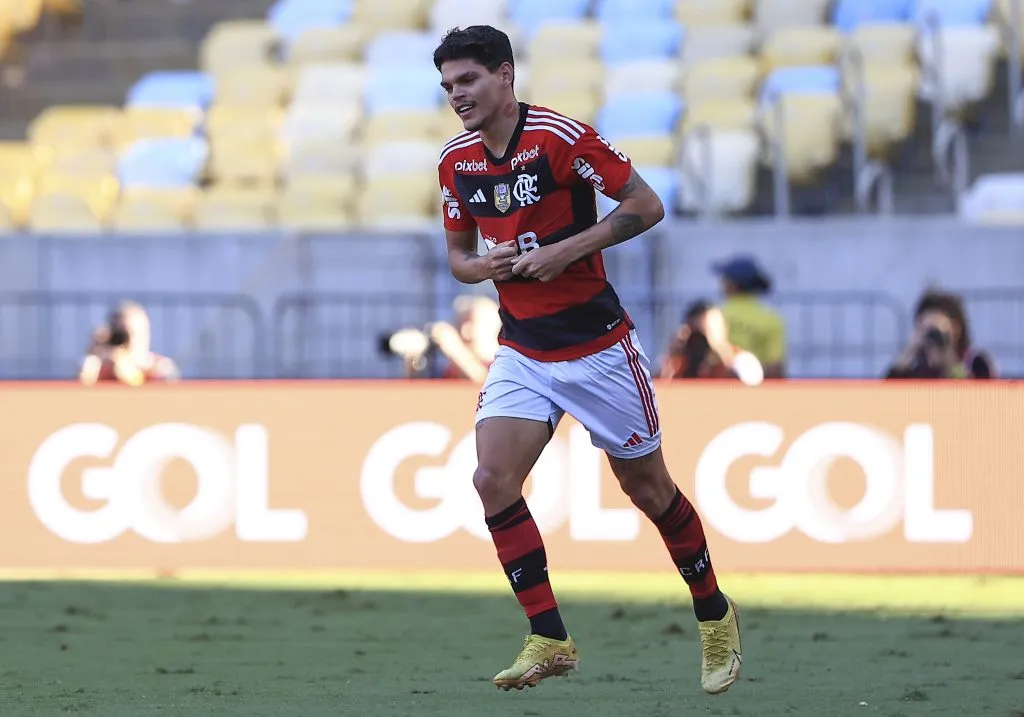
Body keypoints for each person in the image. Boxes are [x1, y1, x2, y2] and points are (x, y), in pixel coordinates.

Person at [434, 26, 741, 695]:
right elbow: (458, 258)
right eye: (449, 85)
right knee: (491, 478)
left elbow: (645, 205)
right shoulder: (456, 162)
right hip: (522, 347)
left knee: (650, 491)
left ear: (505, 76)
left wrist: (565, 250)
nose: (457, 95)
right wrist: (486, 264)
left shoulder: (560, 139)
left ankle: (714, 613)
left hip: (597, 348)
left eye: (469, 80)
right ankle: (549, 634)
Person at [885, 289, 996, 379]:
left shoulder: (975, 362)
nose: (932, 336)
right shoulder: (916, 369)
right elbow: (888, 395)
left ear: (956, 328)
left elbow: (982, 396)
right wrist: (909, 352)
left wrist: (950, 362)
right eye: (924, 328)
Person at [712, 255, 787, 378]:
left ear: (732, 285)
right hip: (759, 392)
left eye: (724, 280)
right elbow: (776, 369)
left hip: (720, 390)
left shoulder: (715, 317)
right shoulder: (772, 319)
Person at [660, 300, 764, 385]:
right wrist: (673, 356)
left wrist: (720, 350)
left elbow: (751, 387)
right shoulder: (680, 360)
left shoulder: (743, 359)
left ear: (724, 328)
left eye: (709, 329)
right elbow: (658, 393)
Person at [79, 301, 179, 386]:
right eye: (119, 333)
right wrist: (93, 356)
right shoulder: (100, 369)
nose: (124, 340)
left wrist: (132, 377)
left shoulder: (160, 368)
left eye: (130, 333)